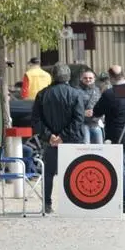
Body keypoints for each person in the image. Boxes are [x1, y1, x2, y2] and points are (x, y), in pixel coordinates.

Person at [31, 64, 86, 214]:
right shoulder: (76, 94)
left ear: (53, 76)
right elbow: (79, 119)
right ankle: (73, 204)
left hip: (50, 141)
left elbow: (36, 120)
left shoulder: (42, 94)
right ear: (68, 76)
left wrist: (50, 136)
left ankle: (47, 204)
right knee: (73, 172)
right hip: (72, 140)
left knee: (48, 173)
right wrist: (64, 136)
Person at [94, 65, 125, 213]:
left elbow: (97, 111)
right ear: (124, 74)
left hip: (117, 136)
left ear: (111, 78)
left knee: (120, 169)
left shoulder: (109, 93)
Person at [77, 69, 103, 144]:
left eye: (90, 78)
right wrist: (83, 113)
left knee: (100, 149)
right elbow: (72, 108)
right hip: (83, 124)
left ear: (94, 79)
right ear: (81, 79)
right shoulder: (76, 91)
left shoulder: (98, 91)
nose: (88, 80)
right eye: (85, 78)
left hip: (96, 124)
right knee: (85, 149)